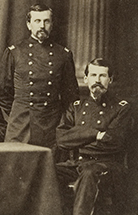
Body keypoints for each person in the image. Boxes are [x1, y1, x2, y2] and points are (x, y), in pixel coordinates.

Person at [0, 4, 79, 151]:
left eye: (46, 21)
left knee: (49, 168)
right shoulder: (14, 52)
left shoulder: (63, 54)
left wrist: (61, 121)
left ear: (52, 24)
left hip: (51, 123)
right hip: (21, 123)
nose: (42, 26)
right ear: (28, 24)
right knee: (17, 166)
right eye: (37, 21)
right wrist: (19, 110)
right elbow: (1, 92)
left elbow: (70, 95)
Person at [55, 58, 132, 215]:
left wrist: (78, 138)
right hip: (77, 162)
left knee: (90, 173)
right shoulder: (76, 107)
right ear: (85, 78)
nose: (97, 80)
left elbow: (115, 142)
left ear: (110, 79)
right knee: (47, 172)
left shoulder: (121, 108)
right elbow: (62, 139)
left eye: (102, 76)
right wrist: (96, 134)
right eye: (93, 75)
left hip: (107, 165)